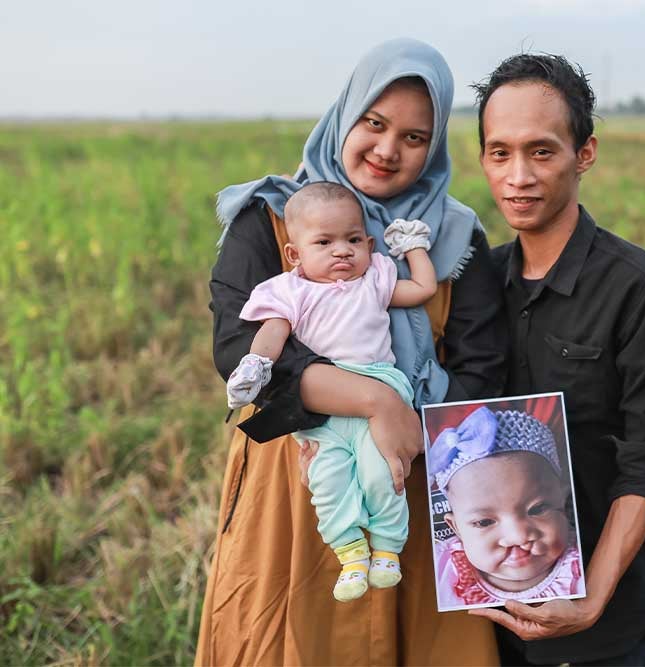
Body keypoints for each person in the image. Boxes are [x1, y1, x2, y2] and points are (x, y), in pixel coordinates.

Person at [196, 38, 506, 666]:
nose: (388, 150)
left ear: (436, 144)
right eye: (374, 122)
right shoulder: (275, 218)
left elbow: (480, 364)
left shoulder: (452, 235)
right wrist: (373, 400)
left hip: (411, 474)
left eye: (415, 137)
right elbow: (239, 346)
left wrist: (406, 430)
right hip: (295, 476)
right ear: (346, 114)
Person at [470, 54, 645, 666]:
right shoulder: (475, 284)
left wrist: (590, 598)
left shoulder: (641, 289)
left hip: (602, 625)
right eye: (499, 153)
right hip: (487, 611)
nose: (518, 176)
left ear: (584, 153)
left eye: (542, 152)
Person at [225, 182, 439, 602]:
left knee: (383, 472)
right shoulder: (290, 291)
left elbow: (423, 290)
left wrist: (413, 247)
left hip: (379, 383)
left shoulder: (374, 278)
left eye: (353, 240)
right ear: (294, 254)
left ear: (369, 244)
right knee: (327, 478)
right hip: (324, 399)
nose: (342, 250)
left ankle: (387, 548)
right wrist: (256, 364)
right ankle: (350, 552)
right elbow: (273, 332)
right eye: (325, 242)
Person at [428, 406, 583, 609]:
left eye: (537, 509)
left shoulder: (584, 563)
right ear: (456, 527)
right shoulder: (442, 571)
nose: (517, 537)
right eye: (484, 522)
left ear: (563, 502)